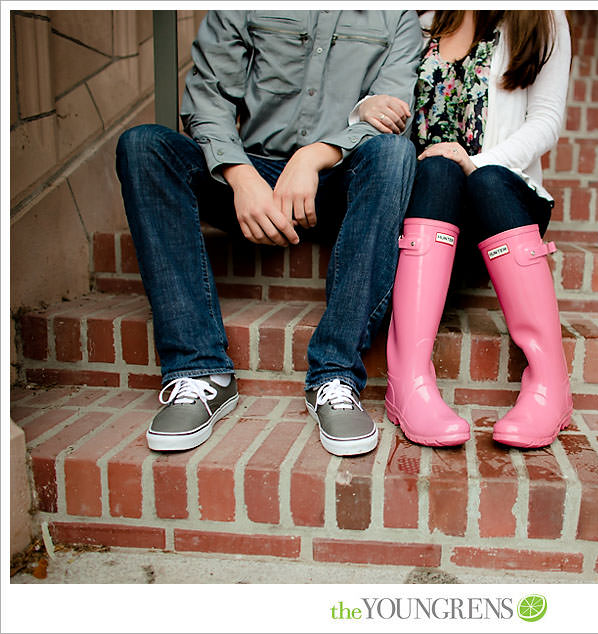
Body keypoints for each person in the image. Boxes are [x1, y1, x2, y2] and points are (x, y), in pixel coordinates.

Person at [115, 11, 422, 456]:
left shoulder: (397, 16)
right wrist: (240, 176)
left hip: (336, 178)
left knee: (394, 153)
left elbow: (394, 114)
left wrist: (314, 155)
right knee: (144, 146)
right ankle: (199, 372)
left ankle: (335, 374)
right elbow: (208, 95)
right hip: (250, 175)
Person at [371, 10, 572, 448]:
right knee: (440, 171)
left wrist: (476, 162)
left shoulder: (542, 19)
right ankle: (409, 383)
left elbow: (546, 121)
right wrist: (365, 109)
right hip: (427, 211)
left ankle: (550, 385)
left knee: (485, 179)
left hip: (499, 206)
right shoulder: (419, 18)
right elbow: (376, 97)